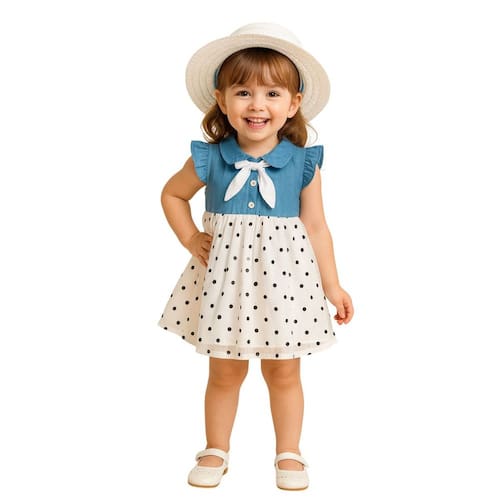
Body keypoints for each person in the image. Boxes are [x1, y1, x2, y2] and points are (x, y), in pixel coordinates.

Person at [158, 22, 354, 490]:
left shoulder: (303, 163)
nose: (257, 105)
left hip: (285, 284)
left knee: (284, 370)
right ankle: (215, 448)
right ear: (222, 100)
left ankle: (289, 452)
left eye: (272, 93)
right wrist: (191, 238)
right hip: (225, 283)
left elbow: (316, 226)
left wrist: (332, 285)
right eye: (243, 92)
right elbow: (172, 195)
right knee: (224, 370)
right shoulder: (210, 158)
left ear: (294, 103)